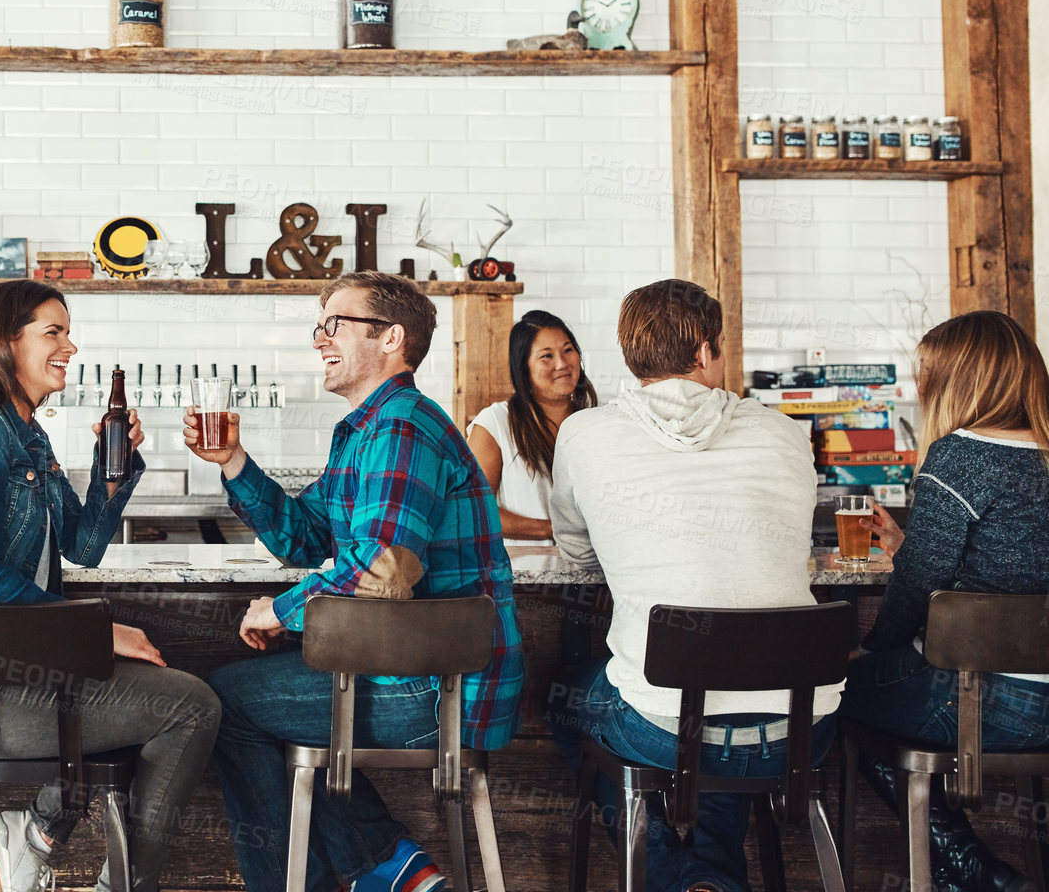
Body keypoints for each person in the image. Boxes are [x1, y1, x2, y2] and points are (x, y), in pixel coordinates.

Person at [192, 270, 524, 892]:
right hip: (411, 673)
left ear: (391, 337)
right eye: (319, 326)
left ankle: (375, 867)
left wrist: (280, 611)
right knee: (258, 698)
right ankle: (388, 865)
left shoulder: (401, 429)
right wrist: (234, 461)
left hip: (439, 690)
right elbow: (303, 538)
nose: (319, 338)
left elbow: (378, 568)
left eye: (334, 324)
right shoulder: (367, 431)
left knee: (226, 701)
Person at [0, 280, 220, 892]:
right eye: (54, 331)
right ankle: (89, 862)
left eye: (67, 332)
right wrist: (101, 633)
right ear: (2, 343)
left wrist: (110, 467)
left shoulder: (29, 435)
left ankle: (40, 830)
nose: (70, 345)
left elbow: (84, 546)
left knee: (177, 700)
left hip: (13, 672)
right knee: (190, 706)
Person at [545, 278, 841, 892]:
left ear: (630, 356)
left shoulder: (582, 433)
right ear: (707, 352)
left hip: (661, 726)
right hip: (802, 728)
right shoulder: (788, 433)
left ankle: (675, 875)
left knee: (570, 696)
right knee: (714, 709)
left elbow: (576, 555)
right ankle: (706, 877)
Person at [844, 310, 1049, 892]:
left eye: (927, 374)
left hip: (980, 701)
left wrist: (869, 648)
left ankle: (976, 870)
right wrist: (912, 547)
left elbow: (914, 593)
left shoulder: (961, 454)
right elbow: (1012, 565)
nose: (920, 387)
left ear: (959, 381)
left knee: (832, 698)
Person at [465, 309, 598, 545]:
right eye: (546, 356)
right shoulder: (495, 423)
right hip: (524, 576)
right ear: (523, 367)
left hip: (593, 568)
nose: (562, 363)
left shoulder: (596, 421)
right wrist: (554, 530)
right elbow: (473, 508)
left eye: (568, 350)